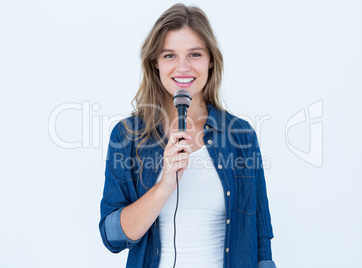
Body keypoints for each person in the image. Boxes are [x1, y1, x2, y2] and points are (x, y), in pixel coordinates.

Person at [99, 3, 276, 268]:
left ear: (211, 60)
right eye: (169, 55)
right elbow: (113, 237)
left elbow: (261, 239)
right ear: (155, 63)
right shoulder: (127, 136)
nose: (183, 67)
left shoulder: (241, 136)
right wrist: (165, 185)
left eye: (194, 54)